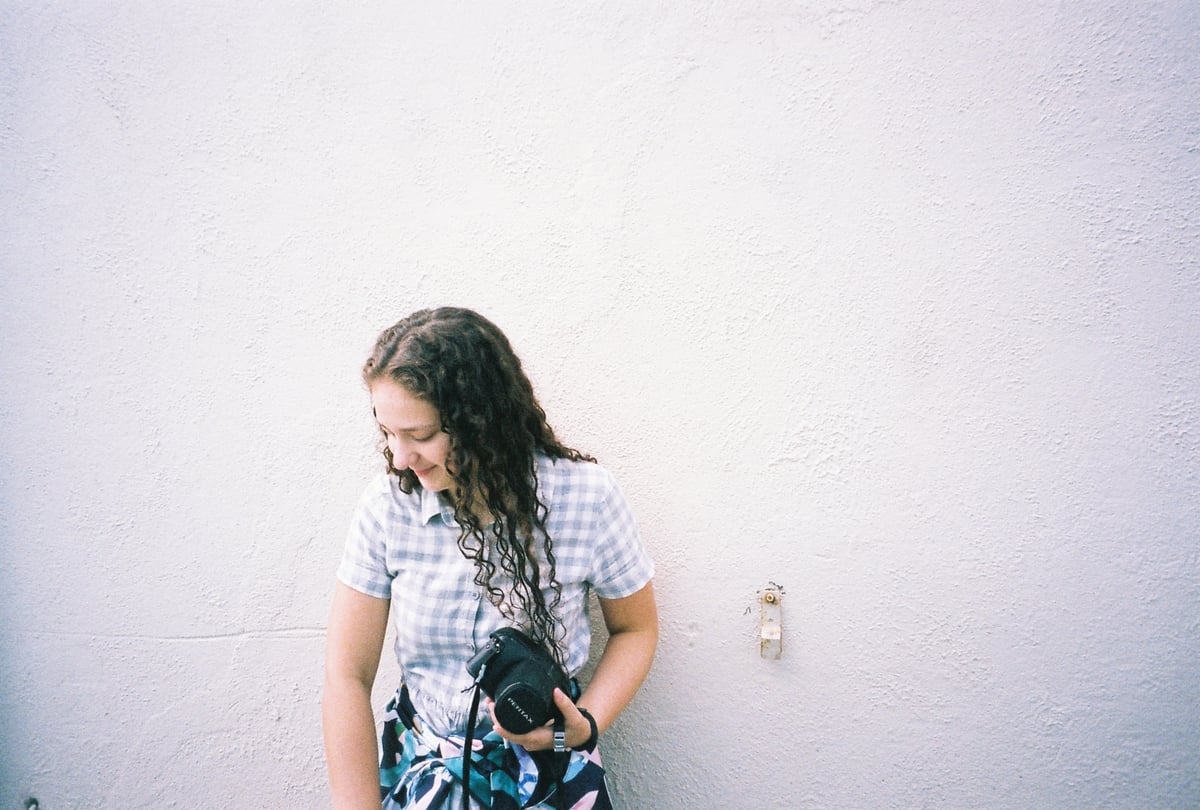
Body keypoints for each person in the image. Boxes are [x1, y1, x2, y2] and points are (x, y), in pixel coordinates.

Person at [323, 307, 658, 809]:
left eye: (421, 436)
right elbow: (346, 675)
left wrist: (583, 726)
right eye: (387, 432)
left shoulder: (586, 498)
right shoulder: (386, 506)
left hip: (548, 776)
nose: (399, 457)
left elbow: (636, 629)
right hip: (422, 773)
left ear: (482, 422)